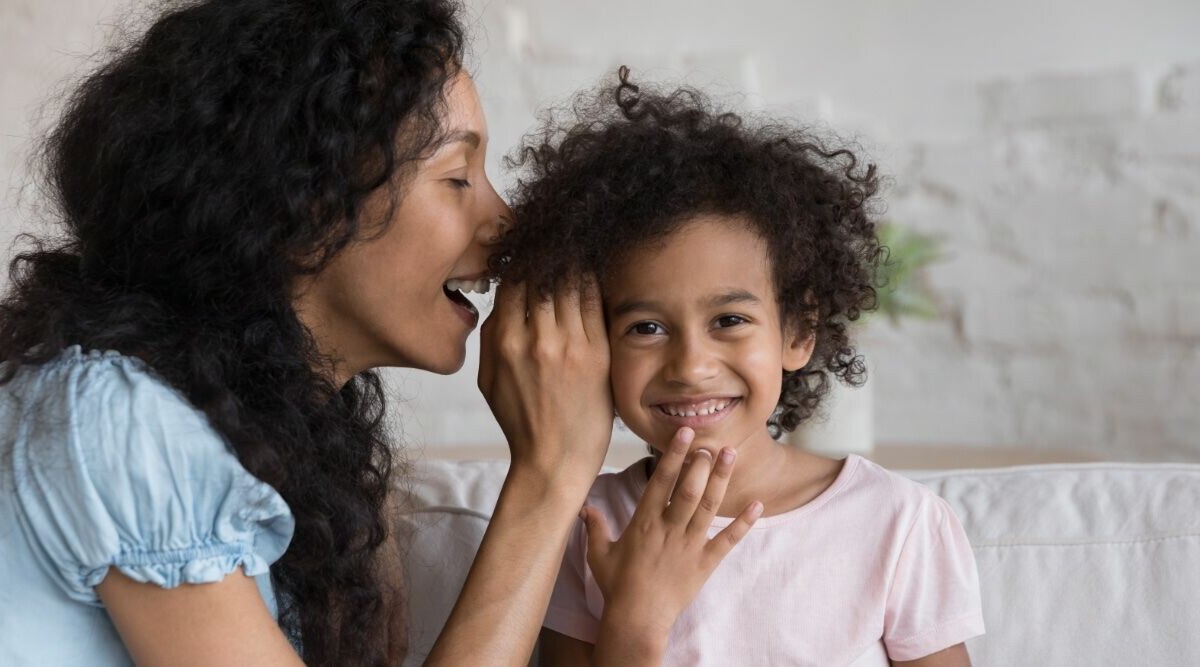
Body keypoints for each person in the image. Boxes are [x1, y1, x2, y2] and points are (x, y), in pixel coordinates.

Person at [0, 2, 758, 665]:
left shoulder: (290, 445)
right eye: (457, 178)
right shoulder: (115, 419)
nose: (502, 226)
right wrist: (551, 474)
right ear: (305, 208)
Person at [498, 68, 987, 666]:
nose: (691, 365)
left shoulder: (899, 525)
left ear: (798, 332)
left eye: (729, 320)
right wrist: (634, 618)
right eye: (645, 328)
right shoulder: (585, 525)